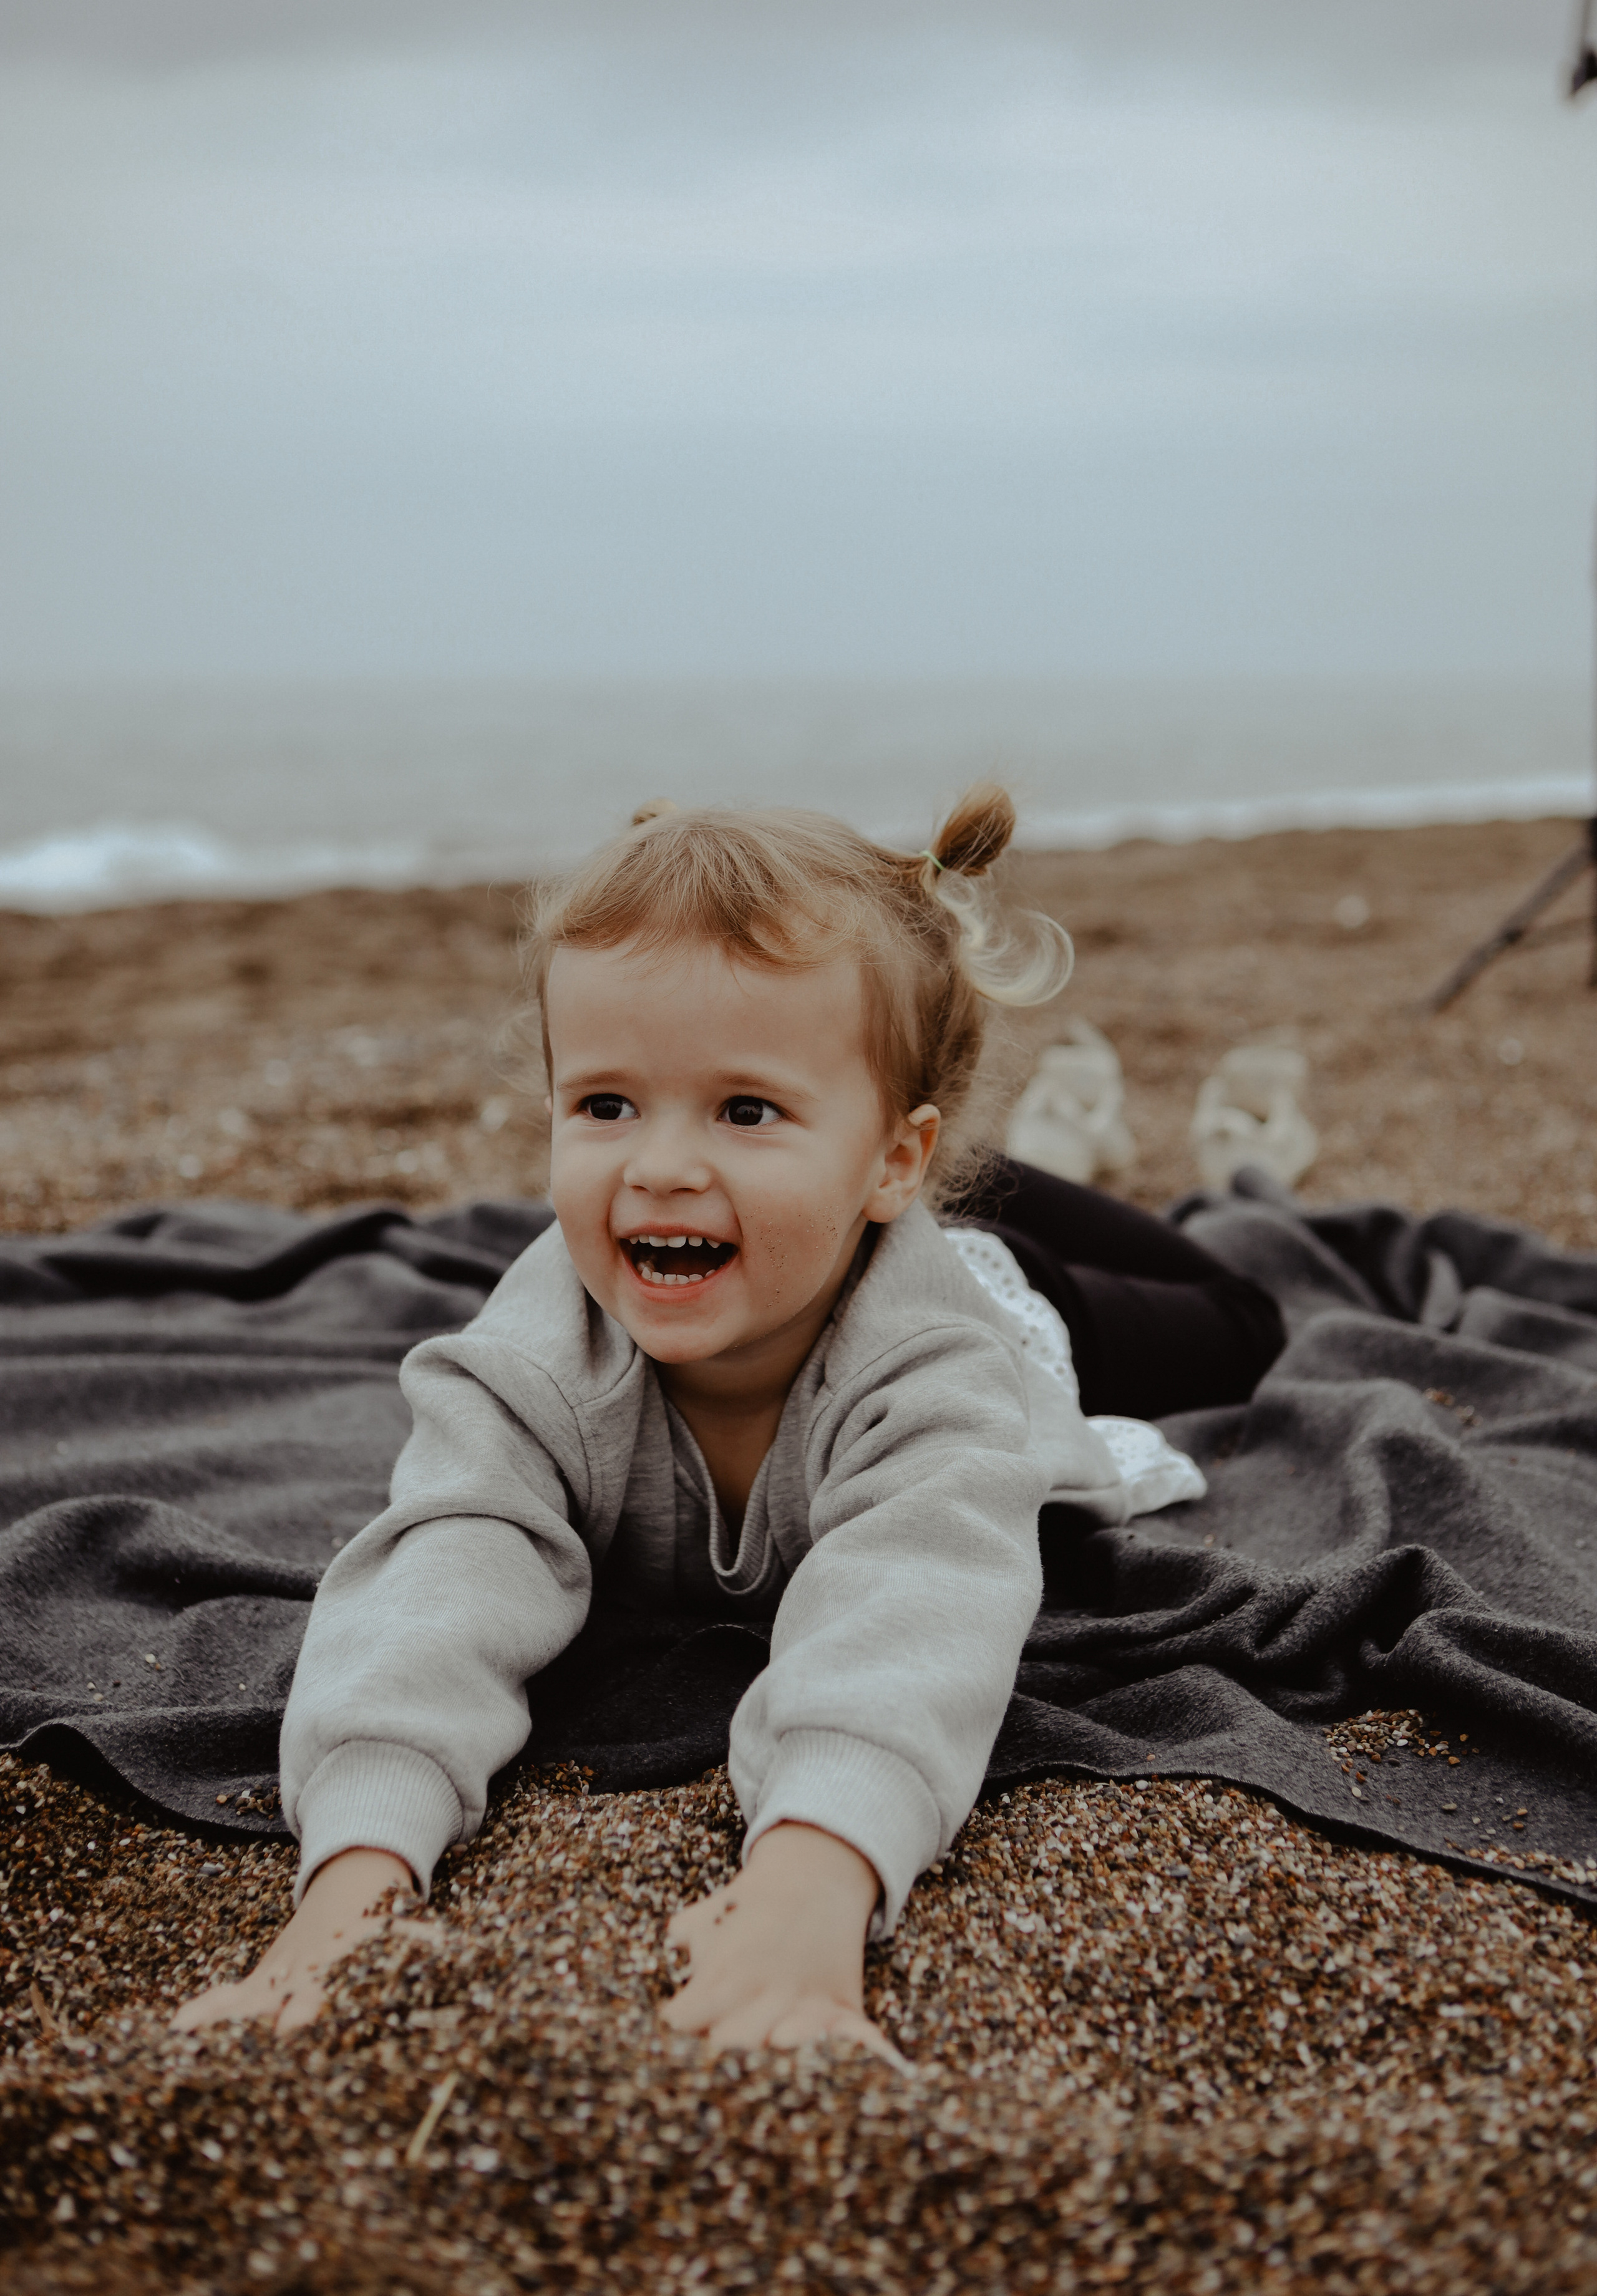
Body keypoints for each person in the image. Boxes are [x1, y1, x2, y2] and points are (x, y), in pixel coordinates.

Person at [173, 785, 1282, 2056]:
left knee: (1242, 1314)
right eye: (605, 1105)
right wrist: (352, 1887)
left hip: (1004, 1299)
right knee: (861, 1176)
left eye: (744, 1109)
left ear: (894, 1159)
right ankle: (986, 1139)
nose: (657, 1167)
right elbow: (435, 1585)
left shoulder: (941, 1369)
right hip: (839, 1212)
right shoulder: (533, 1358)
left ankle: (1085, 1154)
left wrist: (811, 1884)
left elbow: (916, 1607)